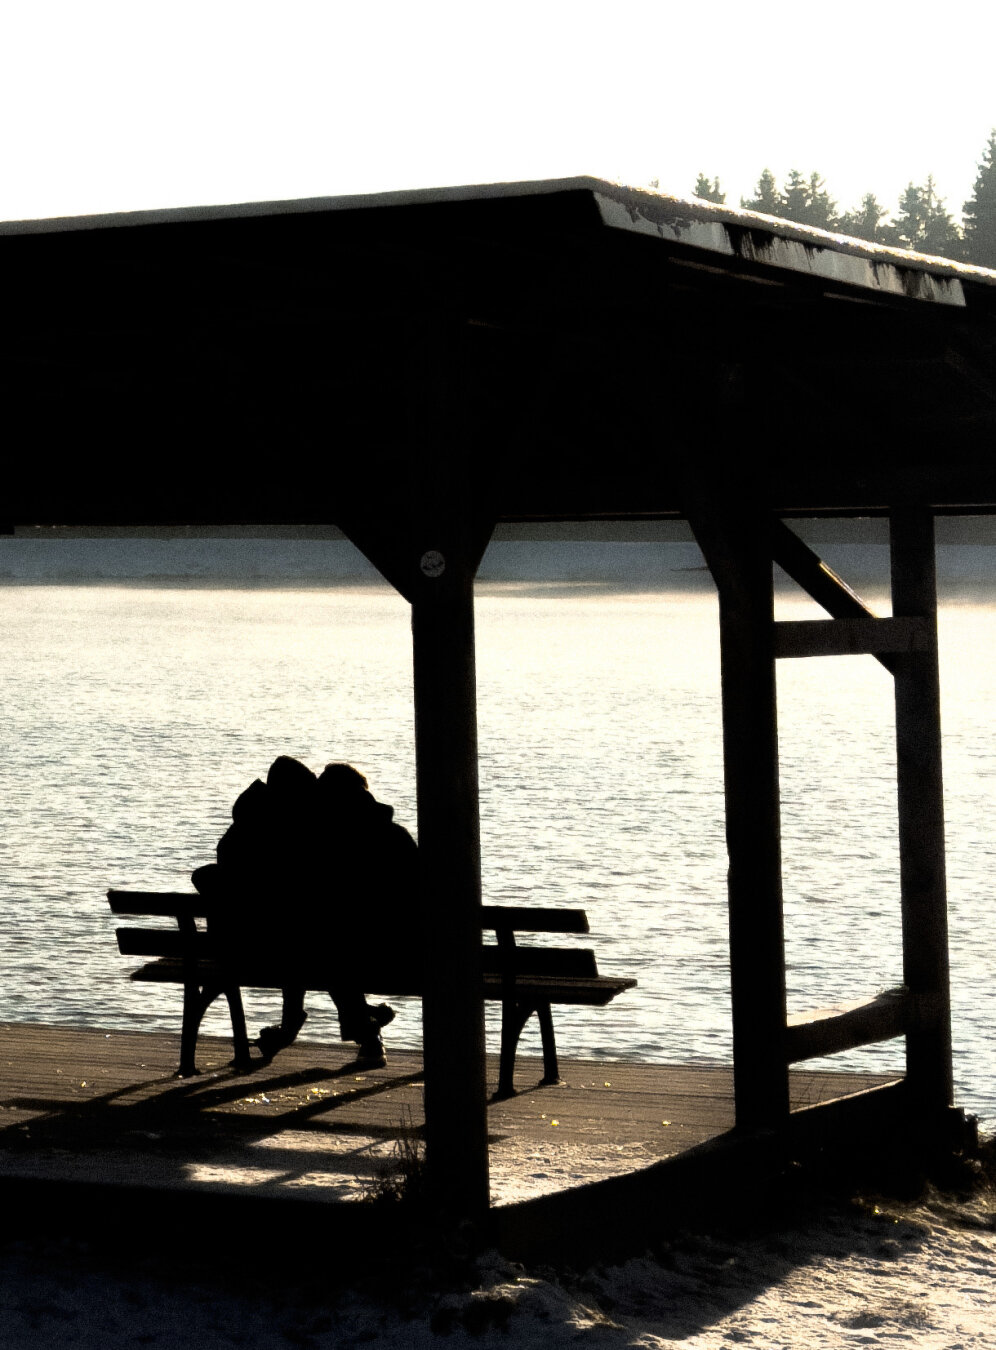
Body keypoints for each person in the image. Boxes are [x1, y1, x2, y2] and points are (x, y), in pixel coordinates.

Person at [192, 756, 417, 1067]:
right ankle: (360, 1027)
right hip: (398, 952)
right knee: (316, 938)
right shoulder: (384, 835)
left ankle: (311, 1026)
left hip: (248, 951)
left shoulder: (256, 833)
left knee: (312, 938)